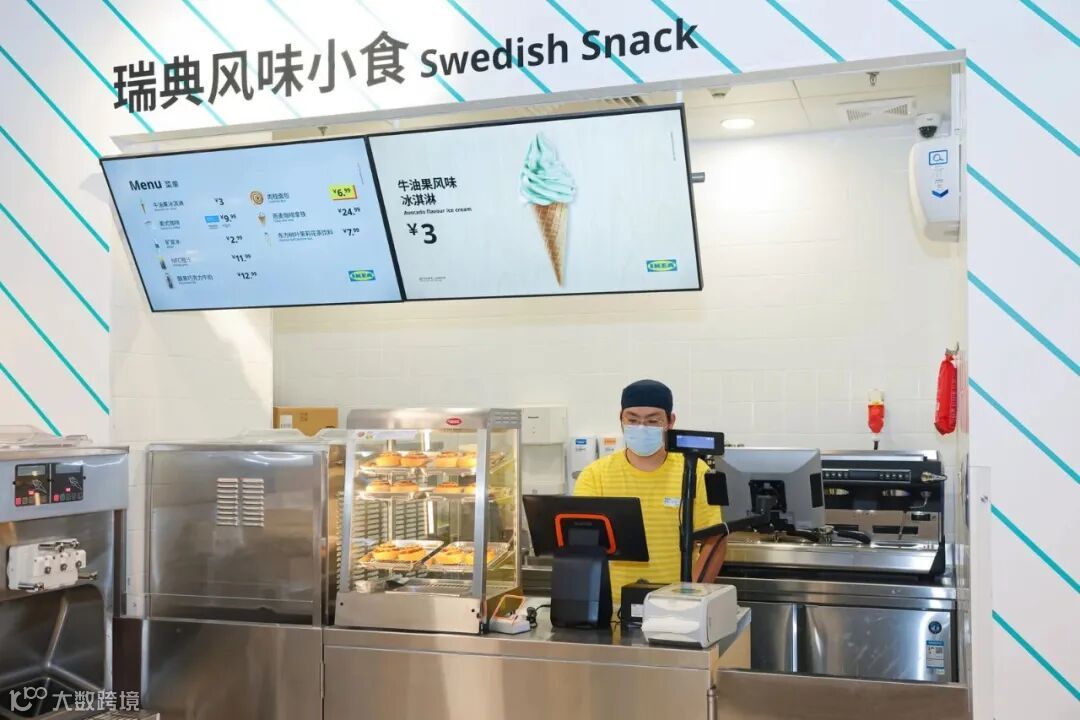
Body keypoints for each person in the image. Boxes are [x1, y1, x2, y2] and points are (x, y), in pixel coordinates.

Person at [573, 379, 724, 606]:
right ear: (621, 419)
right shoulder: (595, 475)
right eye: (633, 420)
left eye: (653, 420)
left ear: (670, 421)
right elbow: (580, 543)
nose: (641, 427)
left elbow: (716, 540)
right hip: (611, 606)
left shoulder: (695, 470)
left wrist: (691, 596)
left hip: (675, 605)